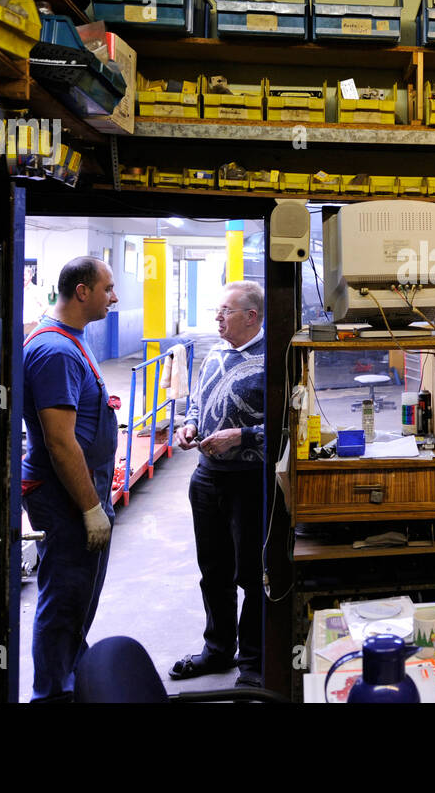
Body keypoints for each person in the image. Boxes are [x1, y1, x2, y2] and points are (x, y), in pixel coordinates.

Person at [21, 256, 119, 702]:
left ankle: (72, 683)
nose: (113, 298)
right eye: (107, 289)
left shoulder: (72, 340)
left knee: (79, 597)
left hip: (84, 490)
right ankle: (52, 695)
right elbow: (60, 443)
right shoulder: (55, 350)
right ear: (82, 292)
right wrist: (90, 509)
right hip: (65, 498)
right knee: (63, 600)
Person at [171, 280, 267, 685]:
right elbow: (197, 400)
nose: (217, 318)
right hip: (208, 478)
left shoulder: (274, 359)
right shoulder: (214, 354)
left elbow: (289, 422)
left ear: (251, 316)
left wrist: (241, 437)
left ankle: (254, 663)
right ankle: (218, 650)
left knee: (252, 574)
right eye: (218, 311)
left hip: (251, 481)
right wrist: (190, 424)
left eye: (225, 311)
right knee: (214, 570)